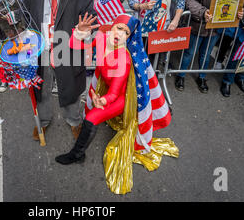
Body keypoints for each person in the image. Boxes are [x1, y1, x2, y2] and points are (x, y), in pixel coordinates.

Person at [55, 13, 176, 195]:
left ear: (129, 37)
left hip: (123, 99)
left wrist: (101, 101)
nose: (120, 34)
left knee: (91, 118)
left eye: (126, 32)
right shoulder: (102, 39)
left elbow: (114, 93)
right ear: (112, 27)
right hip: (105, 89)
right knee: (91, 113)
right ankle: (79, 153)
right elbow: (74, 46)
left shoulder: (124, 59)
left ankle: (76, 154)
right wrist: (79, 33)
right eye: (119, 28)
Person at [24, 0, 97, 141]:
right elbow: (27, 19)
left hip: (68, 50)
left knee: (72, 89)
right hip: (41, 50)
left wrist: (82, 33)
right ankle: (43, 122)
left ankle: (75, 120)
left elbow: (92, 24)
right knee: (42, 89)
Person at [176, 0, 241, 93]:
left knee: (206, 54)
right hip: (197, 25)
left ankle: (202, 77)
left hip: (215, 28)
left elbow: (236, 1)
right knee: (189, 53)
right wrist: (203, 12)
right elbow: (190, 0)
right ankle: (180, 75)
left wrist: (238, 11)